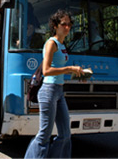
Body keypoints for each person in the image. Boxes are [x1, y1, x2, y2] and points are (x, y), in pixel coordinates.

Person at [24, 10, 84, 158]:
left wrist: (77, 74)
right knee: (44, 134)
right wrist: (69, 68)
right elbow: (46, 70)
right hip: (48, 91)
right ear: (55, 26)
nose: (68, 27)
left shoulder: (62, 45)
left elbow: (58, 70)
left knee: (65, 134)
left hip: (59, 91)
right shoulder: (51, 43)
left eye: (70, 24)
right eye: (64, 24)